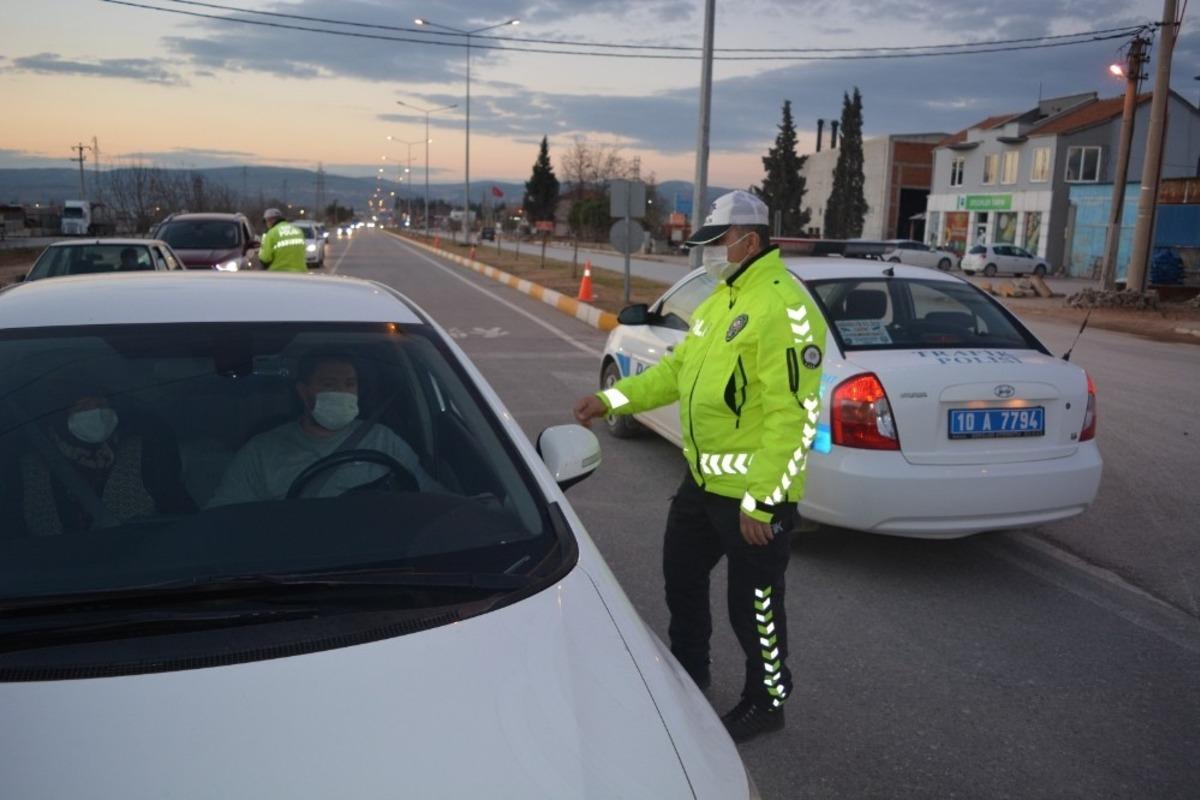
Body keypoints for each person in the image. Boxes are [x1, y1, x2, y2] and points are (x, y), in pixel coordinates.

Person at [573, 190, 826, 743]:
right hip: (703, 484)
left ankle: (768, 701)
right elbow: (673, 375)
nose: (710, 254)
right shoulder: (720, 302)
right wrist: (611, 400)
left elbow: (795, 414)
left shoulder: (783, 307)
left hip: (753, 496)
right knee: (681, 578)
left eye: (717, 243)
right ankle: (690, 673)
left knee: (753, 609)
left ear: (750, 241)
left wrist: (764, 498)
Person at [209, 354, 437, 507]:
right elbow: (225, 519)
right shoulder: (262, 451)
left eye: (350, 384)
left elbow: (430, 499)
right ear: (303, 392)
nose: (342, 392)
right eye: (329, 384)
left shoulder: (384, 440)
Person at [15, 384, 194, 536]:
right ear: (61, 417)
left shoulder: (144, 451)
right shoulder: (31, 467)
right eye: (82, 407)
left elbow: (178, 512)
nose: (96, 414)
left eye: (101, 404)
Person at [258, 208, 307, 273]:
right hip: (300, 273)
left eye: (266, 221)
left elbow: (265, 259)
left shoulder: (271, 233)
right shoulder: (298, 230)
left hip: (280, 274)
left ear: (270, 220)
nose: (267, 224)